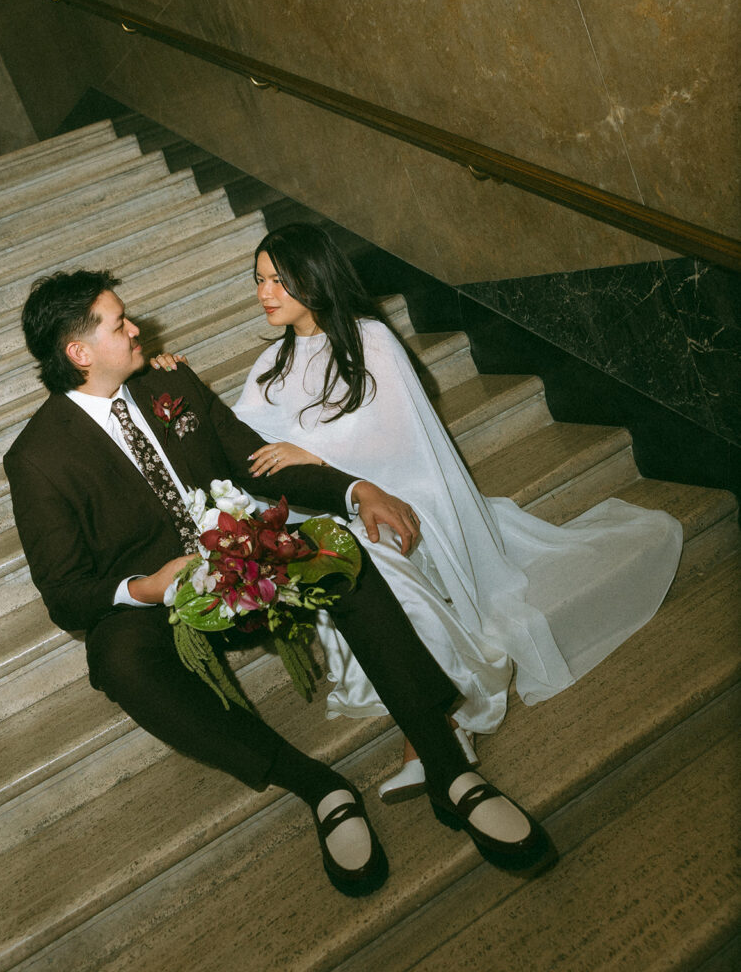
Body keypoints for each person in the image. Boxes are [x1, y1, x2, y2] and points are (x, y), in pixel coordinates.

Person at [4, 269, 555, 901]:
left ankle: (446, 767)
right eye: (118, 322)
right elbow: (65, 592)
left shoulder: (168, 381)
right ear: (79, 353)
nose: (136, 328)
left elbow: (256, 465)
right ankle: (318, 788)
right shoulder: (38, 458)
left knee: (337, 554)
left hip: (249, 556)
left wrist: (354, 489)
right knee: (116, 659)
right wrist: (147, 588)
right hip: (168, 598)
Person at [153, 222, 683, 805]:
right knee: (336, 558)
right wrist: (175, 387)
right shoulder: (270, 366)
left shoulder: (369, 338)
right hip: (334, 506)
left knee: (374, 559)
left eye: (280, 279)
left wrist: (316, 452)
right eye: (259, 280)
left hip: (404, 494)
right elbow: (245, 447)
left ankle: (443, 728)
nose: (265, 292)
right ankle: (435, 728)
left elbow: (398, 438)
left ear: (316, 276)